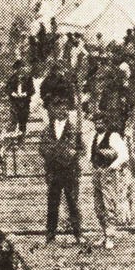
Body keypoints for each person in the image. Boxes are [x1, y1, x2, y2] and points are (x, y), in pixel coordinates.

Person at [38, 99, 83, 244]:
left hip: (70, 171)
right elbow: (42, 147)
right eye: (58, 109)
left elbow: (80, 148)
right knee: (52, 203)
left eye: (65, 109)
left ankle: (78, 233)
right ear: (54, 111)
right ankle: (50, 235)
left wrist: (69, 155)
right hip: (54, 171)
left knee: (73, 203)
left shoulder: (74, 128)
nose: (62, 111)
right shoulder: (47, 129)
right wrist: (54, 155)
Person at [89, 110, 130, 249]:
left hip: (108, 175)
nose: (98, 124)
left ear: (106, 123)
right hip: (96, 174)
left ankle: (110, 236)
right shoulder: (94, 137)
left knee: (109, 205)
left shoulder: (113, 136)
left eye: (101, 122)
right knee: (98, 206)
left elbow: (124, 155)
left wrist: (112, 167)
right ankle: (104, 233)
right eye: (96, 122)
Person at [4, 59, 35, 135]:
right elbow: (7, 88)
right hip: (15, 102)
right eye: (18, 68)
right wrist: (12, 93)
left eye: (22, 67)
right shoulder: (13, 78)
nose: (20, 69)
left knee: (23, 120)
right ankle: (12, 138)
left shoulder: (28, 78)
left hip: (25, 102)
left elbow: (32, 90)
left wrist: (25, 94)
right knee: (14, 119)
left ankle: (21, 138)